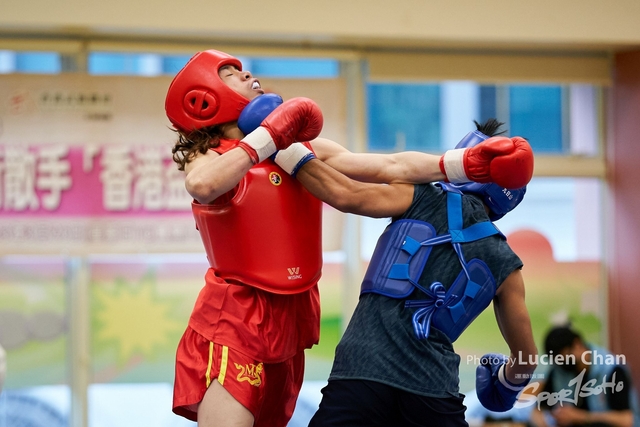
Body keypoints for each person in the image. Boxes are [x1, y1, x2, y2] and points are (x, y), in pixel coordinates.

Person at [164, 49, 534, 427]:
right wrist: (268, 137)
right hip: (237, 312)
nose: (248, 75)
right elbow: (203, 184)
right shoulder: (210, 155)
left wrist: (461, 163)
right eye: (231, 74)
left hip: (293, 317)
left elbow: (388, 167)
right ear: (204, 99)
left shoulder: (302, 149)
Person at [276, 119, 538, 427]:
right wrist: (504, 389)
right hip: (433, 392)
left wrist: (277, 143)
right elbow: (526, 359)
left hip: (364, 371)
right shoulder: (506, 264)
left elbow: (346, 194)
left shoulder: (420, 196)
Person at [529, 324, 639, 427]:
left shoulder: (612, 370)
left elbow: (627, 420)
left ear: (577, 344)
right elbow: (538, 410)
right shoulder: (559, 371)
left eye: (566, 357)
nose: (563, 364)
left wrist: (580, 417)